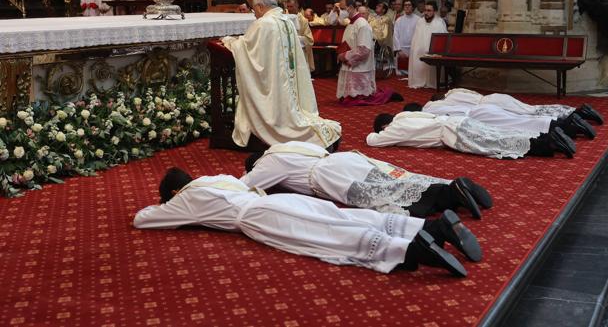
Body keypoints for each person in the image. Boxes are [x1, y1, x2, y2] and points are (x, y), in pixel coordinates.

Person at [134, 167, 482, 277]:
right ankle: (432, 229)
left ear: (177, 190)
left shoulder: (188, 198)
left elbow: (143, 219)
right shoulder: (220, 178)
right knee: (339, 215)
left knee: (327, 236)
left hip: (258, 218)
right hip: (275, 200)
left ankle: (411, 250)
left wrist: (173, 202)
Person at [242, 140, 493, 220]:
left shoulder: (267, 162)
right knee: (394, 179)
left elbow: (245, 184)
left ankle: (449, 196)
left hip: (328, 176)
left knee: (383, 194)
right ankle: (451, 186)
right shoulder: (286, 145)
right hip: (344, 160)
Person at [221, 0, 341, 149]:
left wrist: (230, 41)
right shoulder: (286, 21)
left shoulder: (264, 23)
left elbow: (248, 48)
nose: (254, 13)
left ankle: (307, 137)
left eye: (255, 9)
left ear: (260, 6)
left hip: (275, 78)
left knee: (284, 117)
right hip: (286, 76)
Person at [367, 111, 577, 159]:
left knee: (497, 143)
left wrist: (377, 133)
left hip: (452, 133)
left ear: (385, 126)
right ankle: (548, 139)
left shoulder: (392, 129)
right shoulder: (404, 115)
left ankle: (549, 143)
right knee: (500, 134)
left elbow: (373, 141)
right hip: (455, 120)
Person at [403, 100, 596, 139]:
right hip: (483, 108)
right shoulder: (437, 102)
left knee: (522, 124)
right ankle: (571, 122)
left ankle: (569, 126)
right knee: (523, 117)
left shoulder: (428, 111)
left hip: (477, 116)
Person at [336, 0, 402, 106]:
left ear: (351, 7)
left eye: (342, 9)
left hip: (360, 66)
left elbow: (364, 49)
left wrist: (345, 56)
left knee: (359, 98)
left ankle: (389, 95)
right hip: (350, 65)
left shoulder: (362, 24)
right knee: (347, 99)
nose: (340, 12)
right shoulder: (351, 23)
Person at [430, 88, 604, 126]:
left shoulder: (447, 100)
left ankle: (574, 117)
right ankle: (575, 111)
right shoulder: (456, 90)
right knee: (533, 109)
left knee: (530, 115)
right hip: (494, 97)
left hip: (490, 105)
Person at [409, 1, 447, 89]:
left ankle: (433, 82)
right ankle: (419, 80)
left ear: (435, 11)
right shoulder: (420, 22)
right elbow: (416, 39)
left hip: (434, 52)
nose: (426, 13)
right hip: (420, 51)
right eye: (425, 10)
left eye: (429, 10)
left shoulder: (440, 22)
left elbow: (442, 40)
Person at [285, 0, 315, 72]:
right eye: (288, 6)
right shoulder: (284, 18)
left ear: (297, 6)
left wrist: (295, 38)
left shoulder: (303, 20)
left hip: (300, 51)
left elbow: (309, 40)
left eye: (291, 6)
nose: (289, 9)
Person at [393, 0, 418, 73]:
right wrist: (399, 50)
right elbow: (395, 36)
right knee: (401, 75)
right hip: (401, 50)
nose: (407, 7)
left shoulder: (418, 20)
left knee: (413, 72)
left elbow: (419, 36)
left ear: (413, 7)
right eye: (405, 5)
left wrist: (415, 50)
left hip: (413, 49)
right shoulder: (399, 20)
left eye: (409, 5)